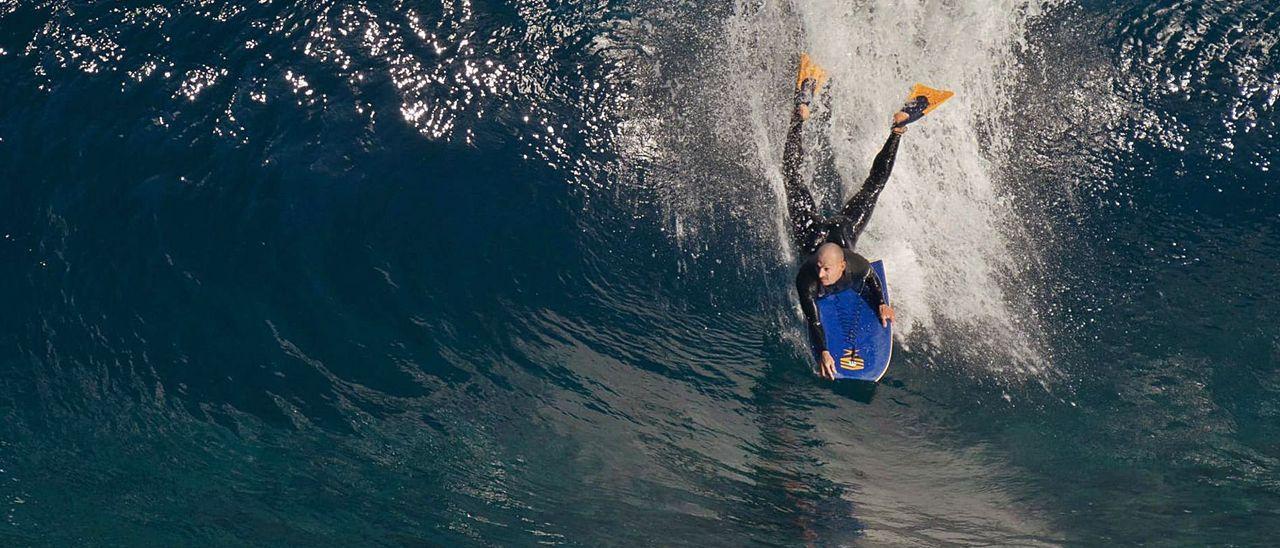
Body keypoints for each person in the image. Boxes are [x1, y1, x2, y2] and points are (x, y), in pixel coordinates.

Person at [785, 55, 908, 381]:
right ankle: (800, 115)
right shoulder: (807, 279)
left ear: (842, 267)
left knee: (874, 187)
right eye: (819, 268)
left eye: (826, 269)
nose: (820, 273)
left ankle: (897, 130)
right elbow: (813, 321)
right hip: (811, 233)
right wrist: (824, 350)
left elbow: (870, 279)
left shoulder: (857, 266)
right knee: (791, 179)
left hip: (841, 231)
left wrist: (881, 303)